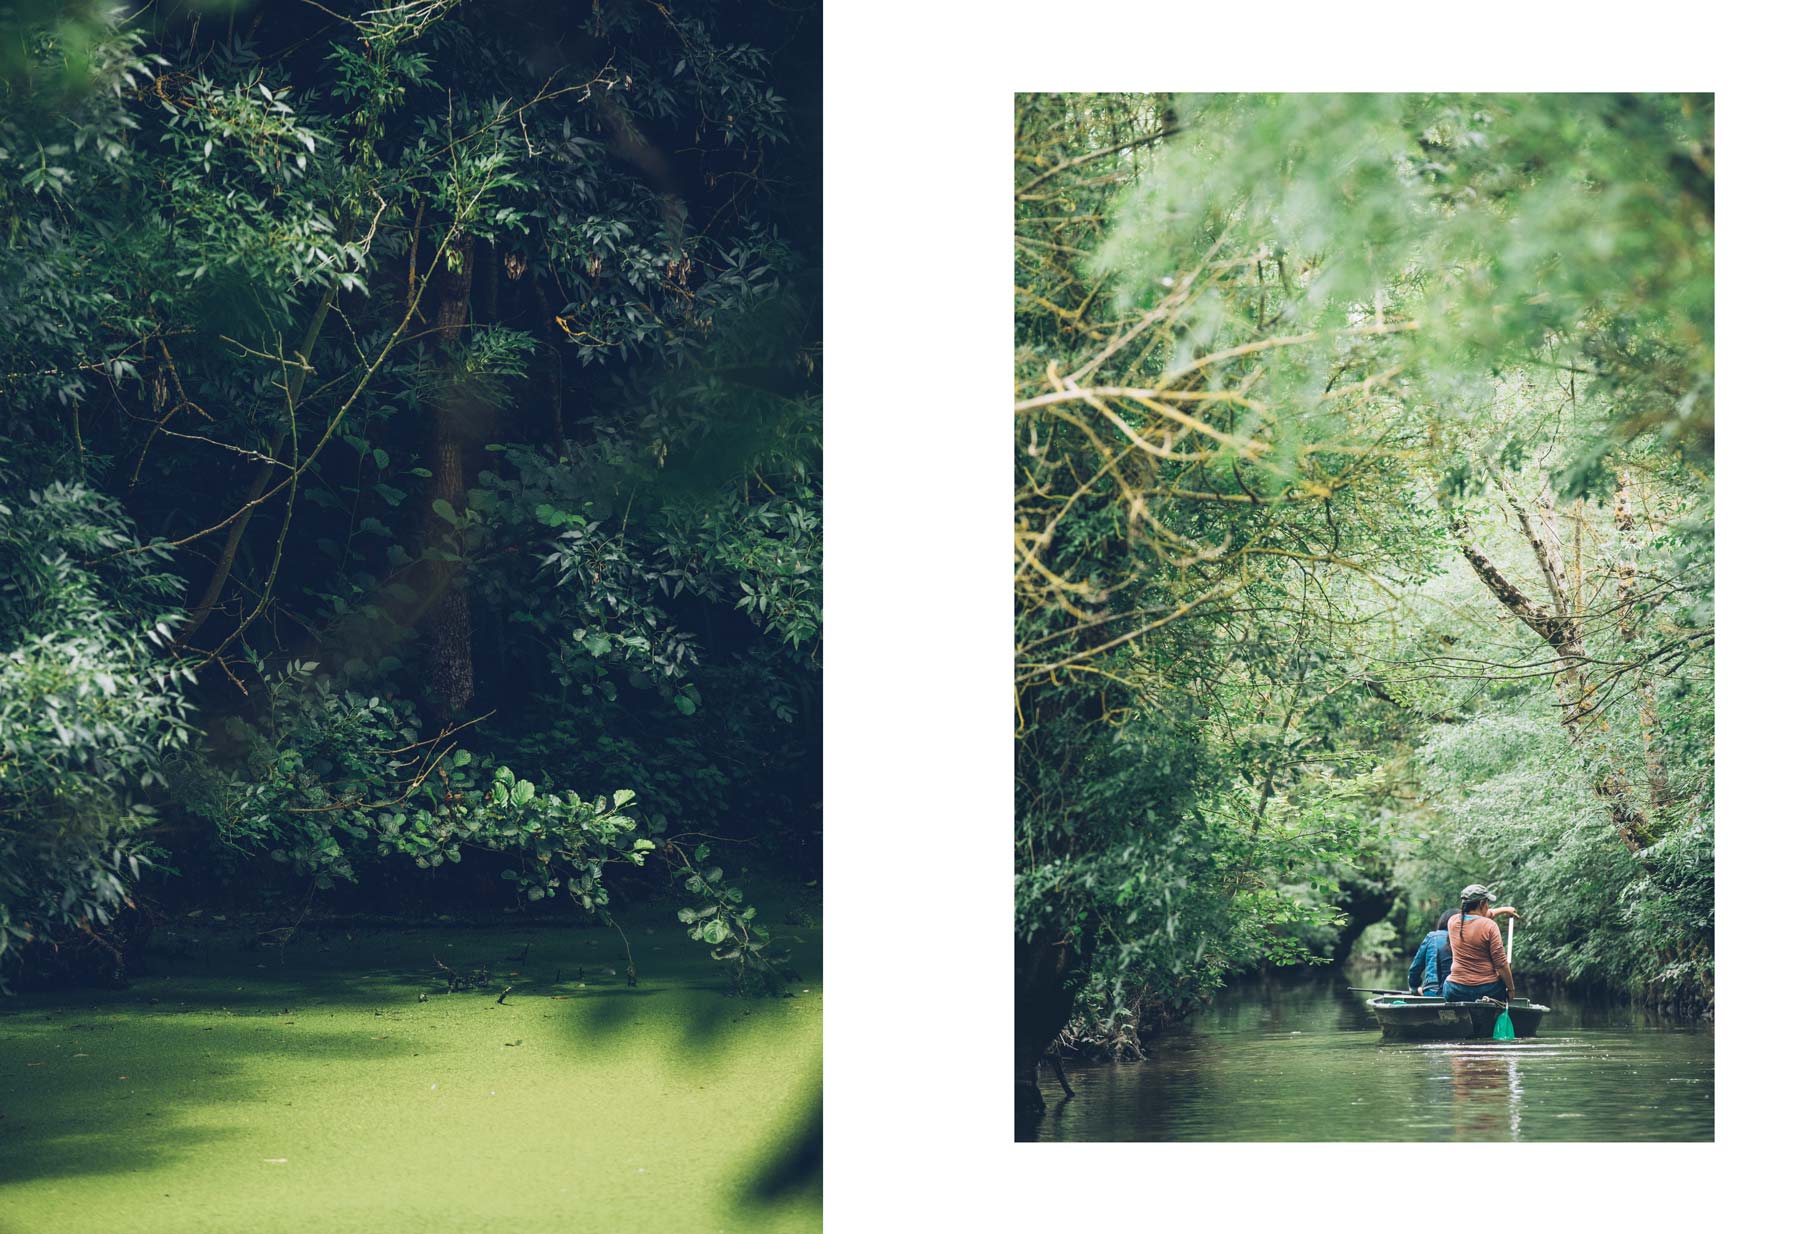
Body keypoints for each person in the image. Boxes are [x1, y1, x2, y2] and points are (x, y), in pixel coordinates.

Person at [1441, 883, 1523, 1004]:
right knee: (1502, 982)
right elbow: (1501, 964)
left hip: (1454, 990)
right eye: (1487, 902)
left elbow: (1482, 915)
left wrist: (1505, 910)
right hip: (1487, 990)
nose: (1488, 906)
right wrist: (1511, 989)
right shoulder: (1490, 926)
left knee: (1449, 983)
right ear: (1481, 903)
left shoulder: (1452, 921)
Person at [1407, 910, 1456, 996]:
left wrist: (1415, 988)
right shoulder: (1465, 939)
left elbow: (1415, 969)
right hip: (1457, 991)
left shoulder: (1432, 937)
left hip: (1433, 990)